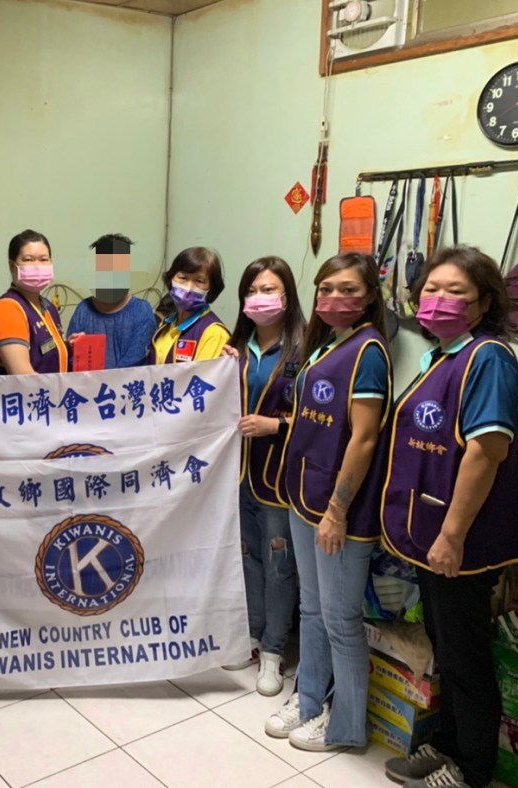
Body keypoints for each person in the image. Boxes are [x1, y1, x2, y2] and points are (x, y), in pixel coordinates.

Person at [379, 247, 518, 788]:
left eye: (455, 291)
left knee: (465, 656)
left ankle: (472, 769)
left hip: (462, 541)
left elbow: (486, 452)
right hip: (432, 534)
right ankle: (448, 744)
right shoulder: (444, 355)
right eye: (431, 289)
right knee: (447, 649)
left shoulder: (489, 358)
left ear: (483, 302)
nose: (439, 299)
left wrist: (451, 536)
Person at [273, 251, 392, 751]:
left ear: (369, 297)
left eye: (348, 289)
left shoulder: (369, 352)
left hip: (339, 510)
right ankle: (308, 702)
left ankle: (345, 728)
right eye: (326, 289)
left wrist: (337, 512)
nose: (334, 298)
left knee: (341, 620)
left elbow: (364, 438)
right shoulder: (328, 345)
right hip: (306, 495)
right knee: (313, 610)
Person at [222, 257, 305, 697]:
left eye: (269, 290)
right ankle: (252, 636)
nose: (259, 298)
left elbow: (322, 418)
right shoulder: (235, 349)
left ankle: (274, 650)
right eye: (252, 291)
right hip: (238, 475)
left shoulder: (304, 350)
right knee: (248, 559)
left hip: (278, 479)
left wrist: (277, 426)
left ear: (287, 296)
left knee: (278, 567)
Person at [65, 233, 157, 369]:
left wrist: (105, 380)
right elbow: (71, 358)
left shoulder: (141, 311)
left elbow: (135, 360)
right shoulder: (83, 309)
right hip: (87, 382)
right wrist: (72, 347)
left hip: (128, 382)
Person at [0, 229, 68, 374]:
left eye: (43, 259)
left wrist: (69, 347)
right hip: (34, 390)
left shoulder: (48, 307)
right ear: (12, 266)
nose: (37, 266)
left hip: (56, 388)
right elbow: (23, 376)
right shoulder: (7, 309)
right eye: (28, 260)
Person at [148, 247, 230, 364]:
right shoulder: (166, 325)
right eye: (183, 278)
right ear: (171, 279)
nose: (188, 288)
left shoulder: (214, 333)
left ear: (211, 289)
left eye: (199, 281)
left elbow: (204, 375)